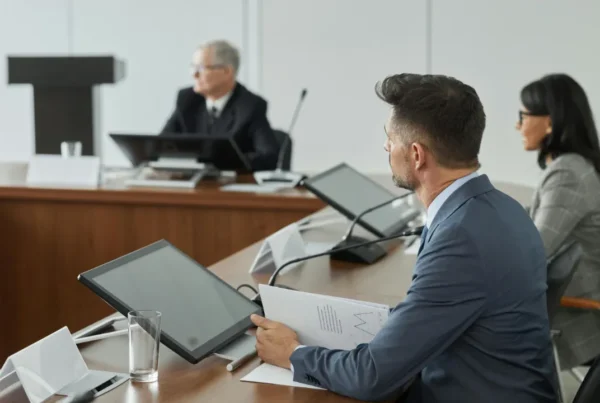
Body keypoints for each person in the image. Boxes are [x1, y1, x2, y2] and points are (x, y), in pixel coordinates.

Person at [250, 73, 558, 402]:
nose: (386, 146)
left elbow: (370, 377)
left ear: (416, 154)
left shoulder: (461, 237)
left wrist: (293, 353)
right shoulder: (499, 208)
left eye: (390, 138)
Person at [517, 73, 600, 369]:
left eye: (523, 116)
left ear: (550, 121)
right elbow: (529, 218)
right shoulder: (573, 165)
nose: (518, 125)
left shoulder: (568, 174)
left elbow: (533, 250)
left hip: (581, 316)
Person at [161, 40, 279, 171]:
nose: (194, 74)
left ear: (227, 71)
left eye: (201, 68)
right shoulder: (187, 100)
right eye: (193, 67)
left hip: (230, 187)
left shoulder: (250, 106)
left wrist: (220, 164)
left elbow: (269, 157)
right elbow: (158, 147)